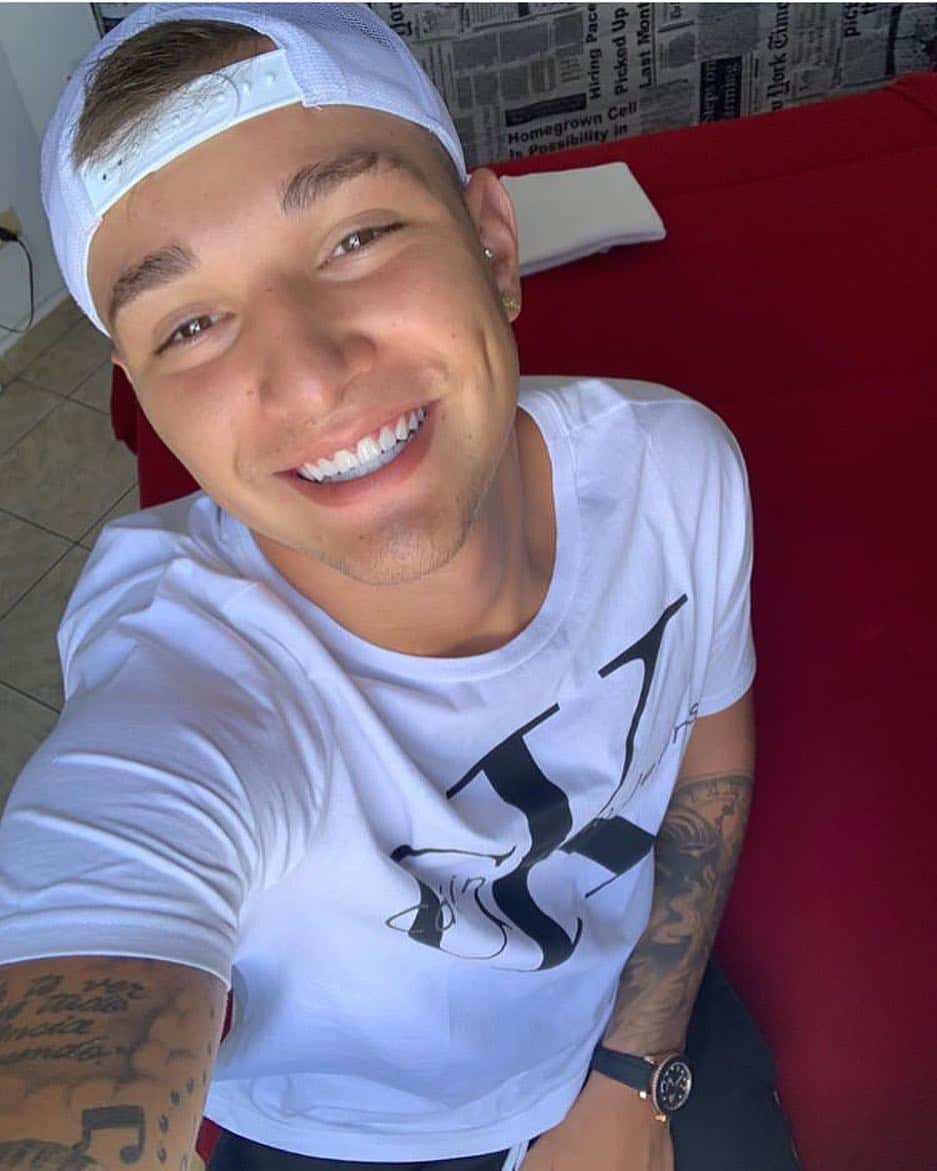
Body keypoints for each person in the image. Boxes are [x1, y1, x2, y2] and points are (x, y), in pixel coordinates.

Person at [0, 6, 798, 1171]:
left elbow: (708, 743)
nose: (309, 377)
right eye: (193, 324)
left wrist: (634, 1065)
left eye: (355, 237)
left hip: (635, 1030)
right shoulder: (180, 698)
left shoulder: (674, 472)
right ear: (147, 394)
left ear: (493, 245)